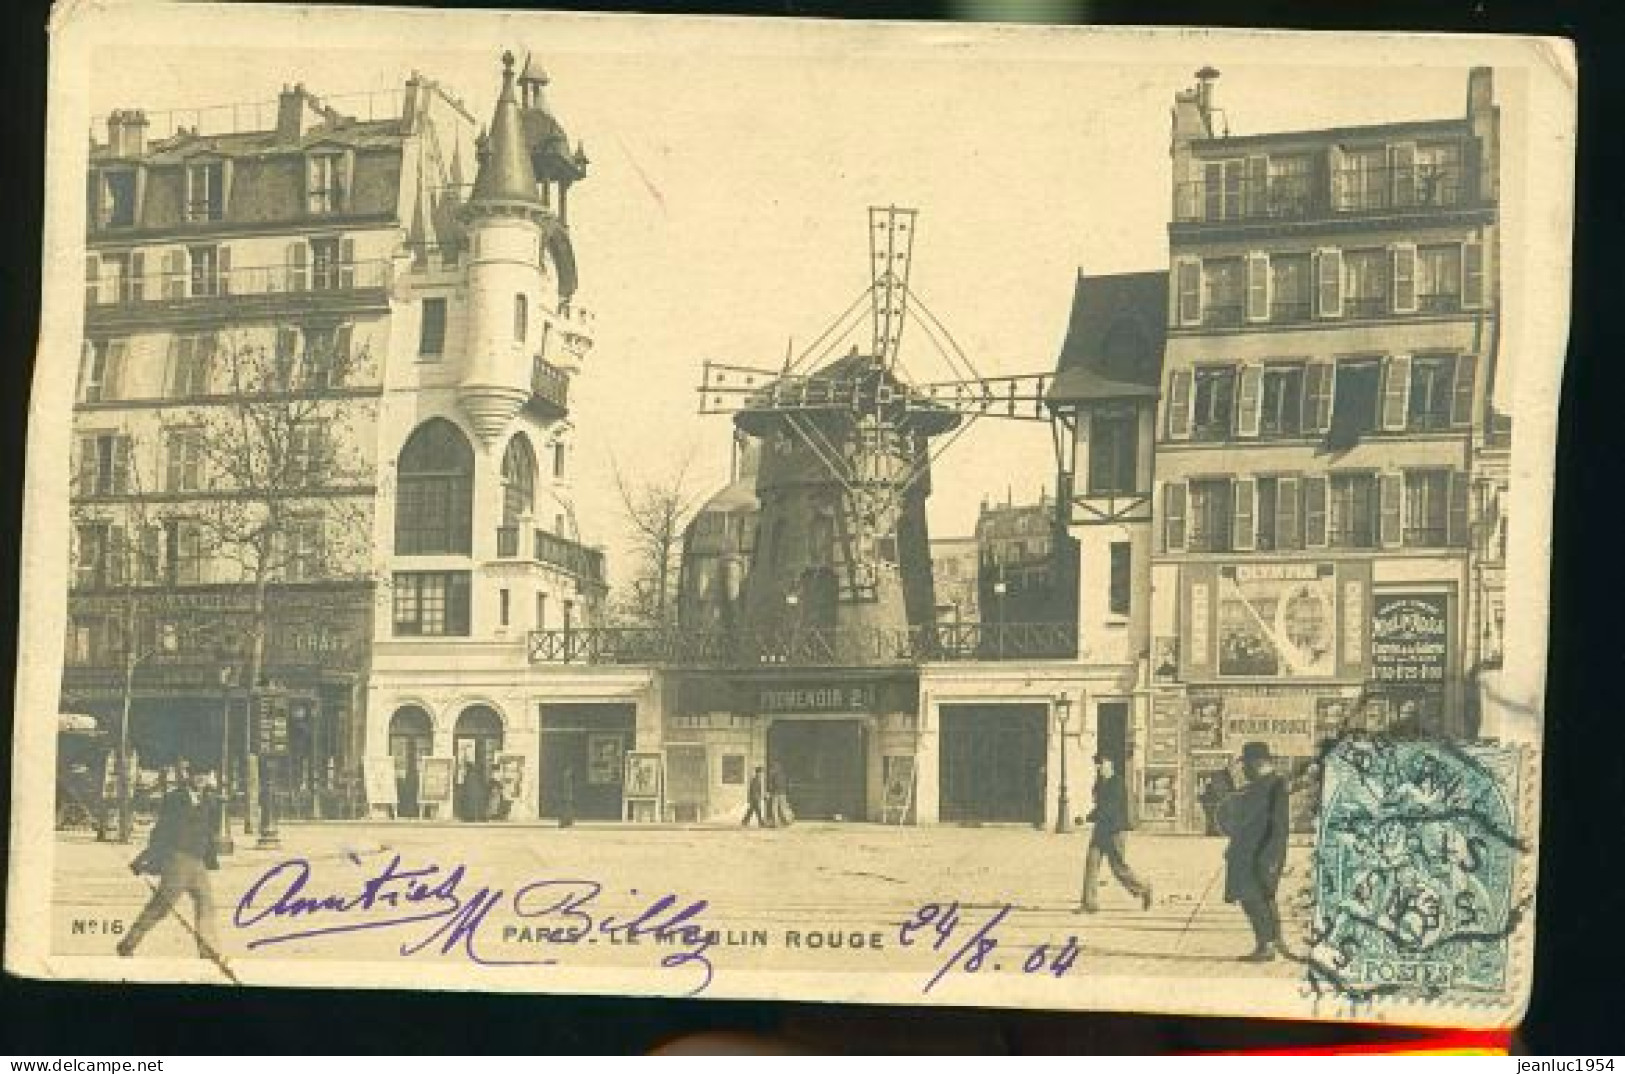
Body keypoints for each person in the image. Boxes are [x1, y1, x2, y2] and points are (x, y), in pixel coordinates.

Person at [117, 765, 222, 959]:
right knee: (161, 906)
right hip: (178, 860)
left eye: (205, 774)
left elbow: (209, 831)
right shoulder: (175, 798)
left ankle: (207, 951)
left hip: (198, 862)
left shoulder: (209, 799)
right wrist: (145, 859)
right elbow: (162, 830)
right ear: (189, 775)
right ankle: (128, 942)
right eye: (198, 774)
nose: (201, 778)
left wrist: (211, 856)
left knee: (206, 904)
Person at [1216, 741, 1292, 962]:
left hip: (1263, 854)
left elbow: (1278, 827)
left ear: (1257, 763)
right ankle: (1270, 941)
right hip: (1250, 854)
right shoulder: (1259, 785)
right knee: (1255, 898)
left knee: (1256, 898)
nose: (1244, 771)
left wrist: (1271, 858)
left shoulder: (1275, 786)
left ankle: (1267, 945)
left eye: (1246, 766)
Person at [1078, 755, 1152, 912]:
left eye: (1102, 764)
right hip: (1101, 830)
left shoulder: (1117, 783)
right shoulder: (1100, 784)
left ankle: (1143, 888)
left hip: (1115, 831)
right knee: (1091, 864)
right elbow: (1100, 807)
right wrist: (1087, 817)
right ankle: (1089, 903)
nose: (1099, 768)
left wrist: (1094, 817)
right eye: (1097, 765)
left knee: (1118, 868)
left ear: (1110, 765)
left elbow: (1110, 809)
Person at [767, 762, 794, 828]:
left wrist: (770, 791)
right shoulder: (783, 775)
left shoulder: (774, 775)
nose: (772, 769)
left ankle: (776, 823)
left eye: (773, 768)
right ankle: (788, 820)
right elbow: (787, 784)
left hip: (776, 793)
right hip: (783, 793)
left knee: (774, 808)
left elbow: (773, 785)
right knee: (783, 807)